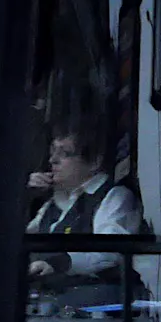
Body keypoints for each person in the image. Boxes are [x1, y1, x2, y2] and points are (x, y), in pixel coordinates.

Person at [26, 124, 144, 294]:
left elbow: (110, 251)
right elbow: (18, 240)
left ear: (94, 161)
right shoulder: (53, 204)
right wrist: (25, 198)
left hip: (94, 305)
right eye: (53, 152)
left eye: (64, 153)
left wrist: (59, 263)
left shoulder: (114, 197)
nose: (53, 160)